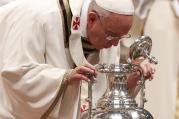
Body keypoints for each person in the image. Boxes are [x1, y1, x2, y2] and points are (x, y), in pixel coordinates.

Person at [0, 0, 155, 118]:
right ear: (92, 18)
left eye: (121, 37)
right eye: (113, 36)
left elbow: (97, 100)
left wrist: (127, 83)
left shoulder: (109, 32)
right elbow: (16, 76)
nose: (115, 44)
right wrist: (65, 77)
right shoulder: (39, 16)